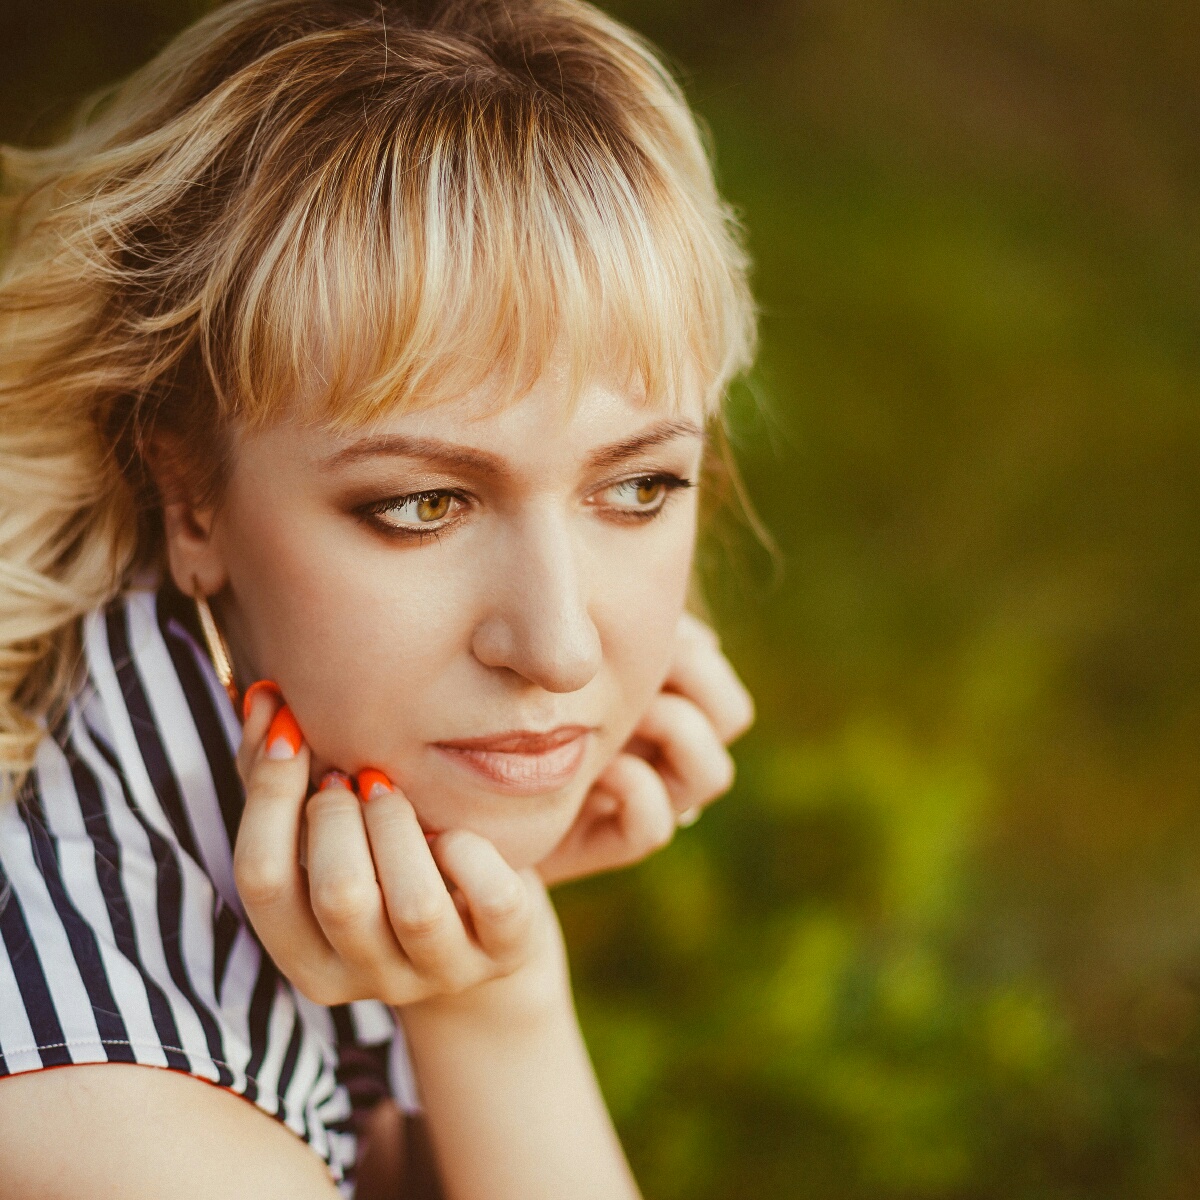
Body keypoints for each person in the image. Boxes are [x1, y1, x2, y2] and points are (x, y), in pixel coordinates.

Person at [0, 1, 757, 1196]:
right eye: (423, 505)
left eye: (637, 487)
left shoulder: (278, 792)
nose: (560, 648)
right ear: (188, 497)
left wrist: (471, 934)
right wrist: (496, 1007)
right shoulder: (109, 1126)